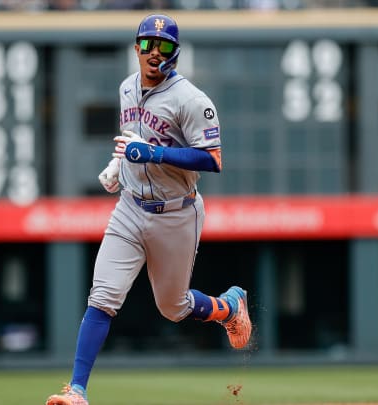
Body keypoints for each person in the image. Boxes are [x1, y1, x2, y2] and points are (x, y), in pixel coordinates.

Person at [46, 14, 252, 405]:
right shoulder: (127, 88)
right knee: (102, 296)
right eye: (147, 44)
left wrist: (155, 153)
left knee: (173, 307)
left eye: (164, 46)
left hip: (176, 212)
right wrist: (118, 165)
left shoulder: (191, 100)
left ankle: (227, 307)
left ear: (176, 52)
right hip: (130, 207)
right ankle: (76, 390)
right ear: (137, 47)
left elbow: (213, 158)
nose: (154, 53)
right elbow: (133, 139)